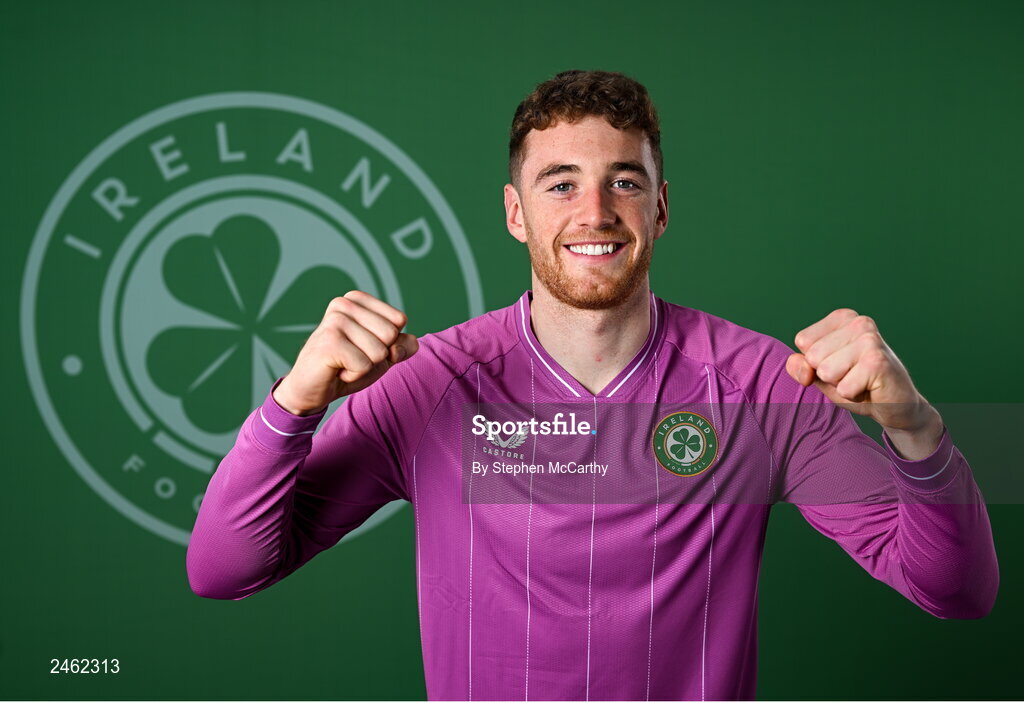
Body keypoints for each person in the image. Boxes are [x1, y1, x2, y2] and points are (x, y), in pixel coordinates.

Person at [186, 70, 999, 700]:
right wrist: (293, 403)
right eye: (561, 182)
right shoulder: (432, 384)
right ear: (515, 213)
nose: (596, 210)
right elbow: (223, 569)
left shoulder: (759, 384)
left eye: (625, 180)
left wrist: (914, 426)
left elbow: (956, 591)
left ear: (662, 206)